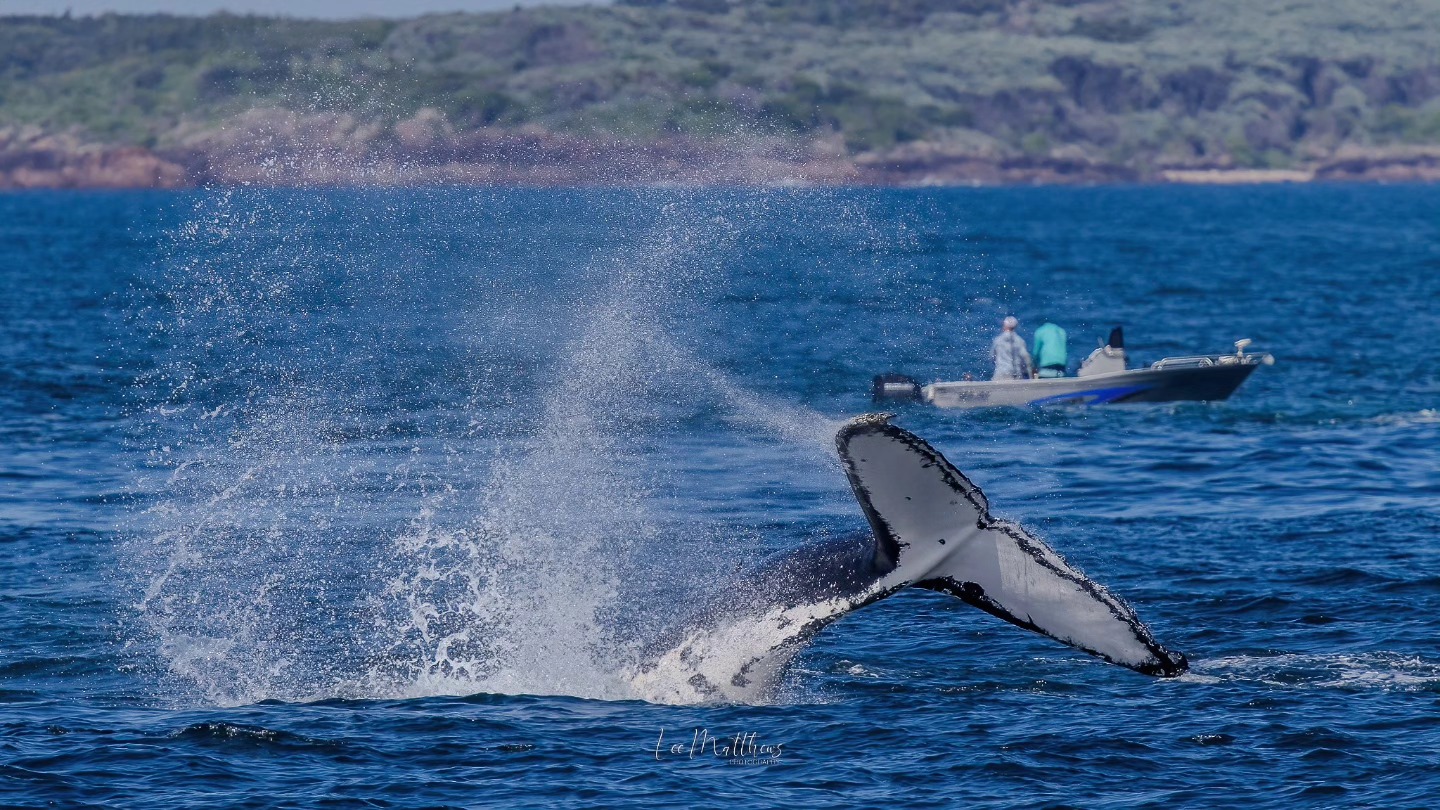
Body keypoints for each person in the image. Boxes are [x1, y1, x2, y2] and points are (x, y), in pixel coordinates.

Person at [991, 316, 1032, 380]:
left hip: (1001, 373)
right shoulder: (1020, 341)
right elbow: (1025, 358)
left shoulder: (998, 340)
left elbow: (992, 357)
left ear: (1004, 326)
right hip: (1016, 374)